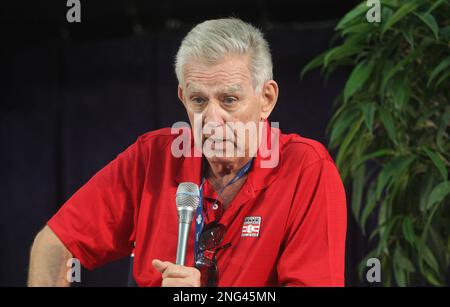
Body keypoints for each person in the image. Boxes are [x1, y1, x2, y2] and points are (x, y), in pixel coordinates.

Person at [28, 18, 347, 287]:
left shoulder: (305, 167)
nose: (211, 119)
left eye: (229, 100)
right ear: (182, 97)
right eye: (198, 101)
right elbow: (54, 244)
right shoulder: (151, 157)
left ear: (266, 99)